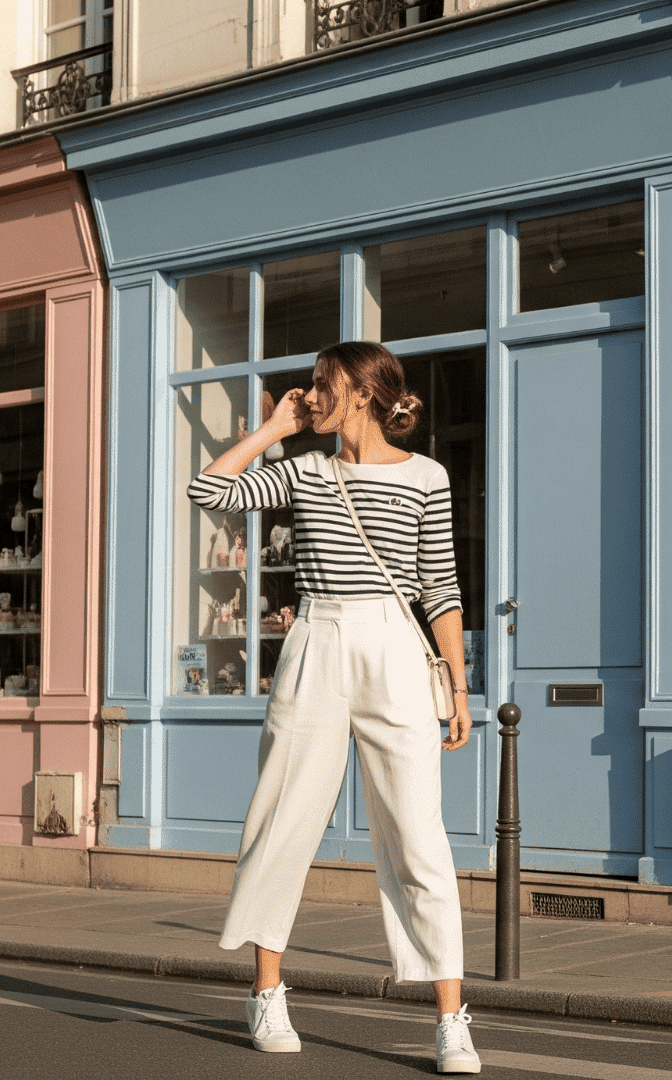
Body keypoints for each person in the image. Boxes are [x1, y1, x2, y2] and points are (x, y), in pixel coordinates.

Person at [187, 340, 480, 1074]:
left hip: (393, 647)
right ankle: (266, 993)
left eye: (323, 384)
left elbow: (441, 588)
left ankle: (451, 1019)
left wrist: (458, 686)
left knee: (418, 833)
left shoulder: (427, 476)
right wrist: (273, 430)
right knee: (282, 817)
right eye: (312, 384)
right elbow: (207, 492)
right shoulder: (306, 470)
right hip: (315, 639)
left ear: (362, 393)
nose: (310, 395)